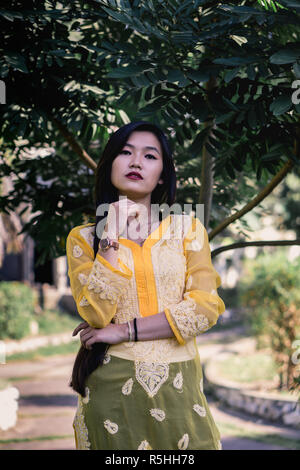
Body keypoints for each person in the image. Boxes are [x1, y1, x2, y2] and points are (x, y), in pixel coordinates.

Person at [66, 121, 226, 450]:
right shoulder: (83, 239)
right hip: (111, 387)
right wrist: (110, 239)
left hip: (180, 386)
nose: (136, 162)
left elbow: (204, 309)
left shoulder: (187, 230)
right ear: (110, 163)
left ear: (163, 174)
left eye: (150, 156)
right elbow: (95, 314)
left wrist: (124, 331)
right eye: (125, 152)